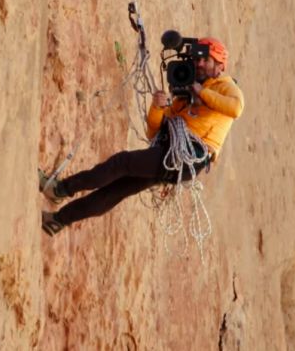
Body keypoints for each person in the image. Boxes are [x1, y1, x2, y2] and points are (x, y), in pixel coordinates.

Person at [40, 38, 244, 235]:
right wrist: (158, 107)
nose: (199, 64)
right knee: (115, 191)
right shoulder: (186, 96)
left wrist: (202, 92)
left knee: (121, 163)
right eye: (196, 59)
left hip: (186, 157)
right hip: (170, 153)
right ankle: (57, 221)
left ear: (220, 66)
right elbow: (154, 131)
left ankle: (60, 189)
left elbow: (236, 109)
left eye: (206, 60)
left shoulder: (226, 87)